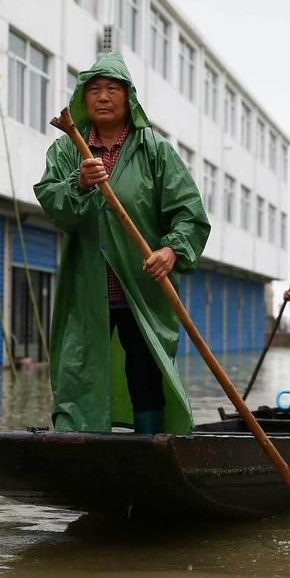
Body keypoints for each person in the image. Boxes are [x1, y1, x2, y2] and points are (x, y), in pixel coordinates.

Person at [33, 52, 210, 436]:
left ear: (128, 96)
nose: (102, 96)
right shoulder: (68, 151)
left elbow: (189, 214)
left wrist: (171, 250)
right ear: (83, 98)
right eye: (93, 89)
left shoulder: (155, 151)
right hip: (88, 286)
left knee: (147, 373)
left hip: (142, 286)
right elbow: (56, 208)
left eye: (112, 88)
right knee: (78, 370)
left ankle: (151, 452)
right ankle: (80, 451)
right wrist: (77, 184)